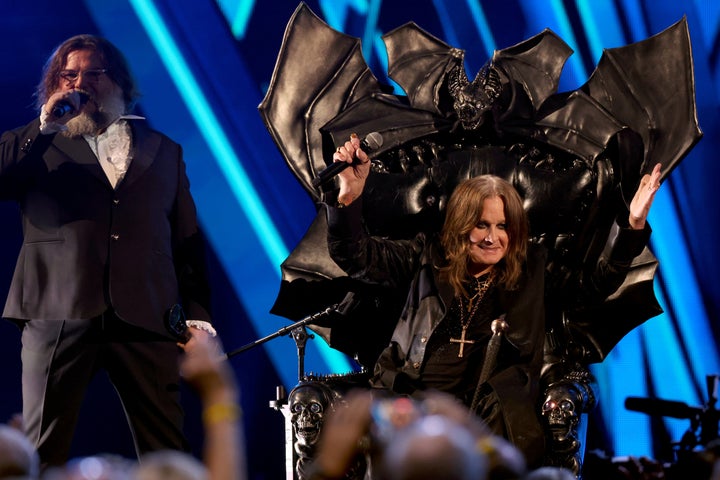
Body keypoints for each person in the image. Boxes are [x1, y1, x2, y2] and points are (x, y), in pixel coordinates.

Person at [325, 134, 661, 467]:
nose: (492, 237)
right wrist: (348, 200)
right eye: (481, 224)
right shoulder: (426, 255)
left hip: (489, 412)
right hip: (411, 400)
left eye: (503, 226)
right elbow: (358, 257)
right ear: (460, 225)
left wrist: (632, 227)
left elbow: (593, 285)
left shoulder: (533, 268)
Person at [0, 34, 214, 468]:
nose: (81, 83)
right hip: (58, 307)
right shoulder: (36, 146)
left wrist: (198, 316)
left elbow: (186, 241)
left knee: (168, 448)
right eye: (69, 75)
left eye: (93, 73)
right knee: (43, 447)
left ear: (117, 81)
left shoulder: (165, 152)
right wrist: (45, 126)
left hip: (147, 314)